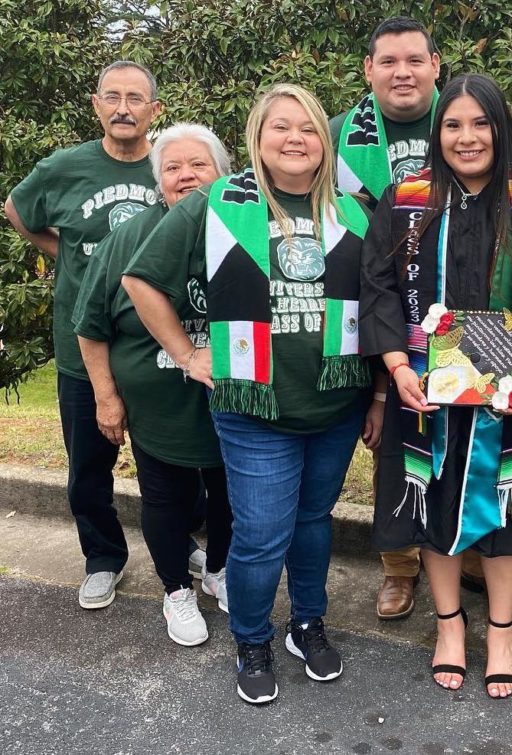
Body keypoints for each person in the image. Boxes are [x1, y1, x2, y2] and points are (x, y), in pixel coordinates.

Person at [123, 83, 380, 705]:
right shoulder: (215, 204)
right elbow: (142, 279)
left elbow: (381, 309)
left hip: (333, 403)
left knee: (314, 523)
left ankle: (307, 624)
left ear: (325, 140)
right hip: (254, 406)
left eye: (309, 128)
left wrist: (373, 399)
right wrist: (187, 355)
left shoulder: (354, 210)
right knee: (263, 533)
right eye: (280, 128)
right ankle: (252, 637)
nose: (295, 139)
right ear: (257, 140)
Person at [360, 73, 512, 698]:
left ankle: (502, 629)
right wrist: (398, 368)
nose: (467, 136)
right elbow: (378, 286)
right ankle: (450, 625)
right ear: (437, 131)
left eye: (480, 123)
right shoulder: (407, 198)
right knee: (434, 495)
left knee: (509, 503)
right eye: (453, 124)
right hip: (425, 384)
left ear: (500, 128)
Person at [4, 61, 164, 610]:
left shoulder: (169, 167)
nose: (124, 108)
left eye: (136, 99)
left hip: (157, 347)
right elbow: (16, 211)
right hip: (82, 344)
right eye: (112, 97)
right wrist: (65, 252)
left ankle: (181, 543)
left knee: (172, 457)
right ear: (96, 104)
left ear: (154, 111)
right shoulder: (64, 168)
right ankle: (102, 557)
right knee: (88, 466)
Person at [72, 123, 234, 647]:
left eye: (199, 165)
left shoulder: (244, 225)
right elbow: (90, 323)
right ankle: (175, 590)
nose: (186, 176)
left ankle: (218, 571)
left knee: (230, 495)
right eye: (173, 168)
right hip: (158, 404)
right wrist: (106, 396)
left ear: (222, 173)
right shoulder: (130, 237)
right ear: (158, 180)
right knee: (163, 497)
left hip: (231, 400)